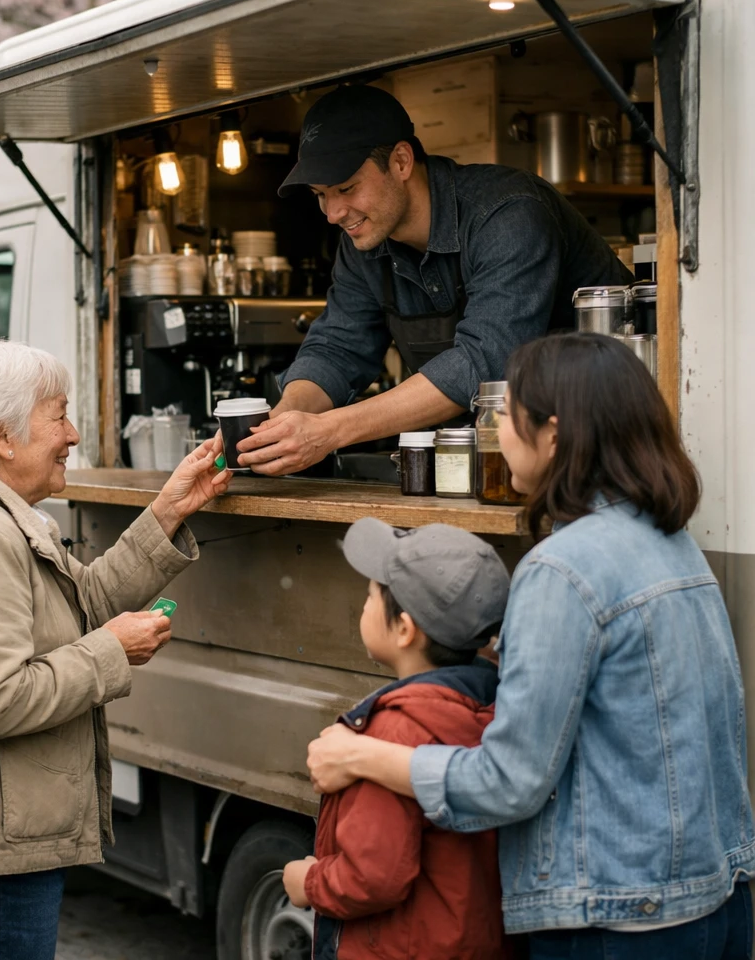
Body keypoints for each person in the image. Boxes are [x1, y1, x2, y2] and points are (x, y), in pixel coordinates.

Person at [306, 332, 755, 959]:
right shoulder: (670, 542)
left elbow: (508, 781)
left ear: (553, 433)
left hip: (618, 918)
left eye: (505, 418)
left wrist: (361, 758)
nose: (494, 434)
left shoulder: (561, 568)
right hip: (718, 895)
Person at [0, 338, 231, 960]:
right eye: (58, 414)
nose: (73, 433)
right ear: (2, 436)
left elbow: (85, 601)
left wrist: (169, 509)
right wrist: (110, 651)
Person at [234, 85, 632, 476]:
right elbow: (337, 348)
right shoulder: (363, 240)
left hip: (603, 452)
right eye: (320, 195)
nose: (334, 213)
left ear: (402, 162)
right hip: (498, 464)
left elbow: (485, 362)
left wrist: (329, 430)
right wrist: (277, 424)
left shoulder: (508, 213)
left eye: (346, 188)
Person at [282, 518, 510, 960]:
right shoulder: (495, 713)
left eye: (370, 596)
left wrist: (307, 882)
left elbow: (374, 876)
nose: (363, 604)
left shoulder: (390, 735)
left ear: (404, 630)